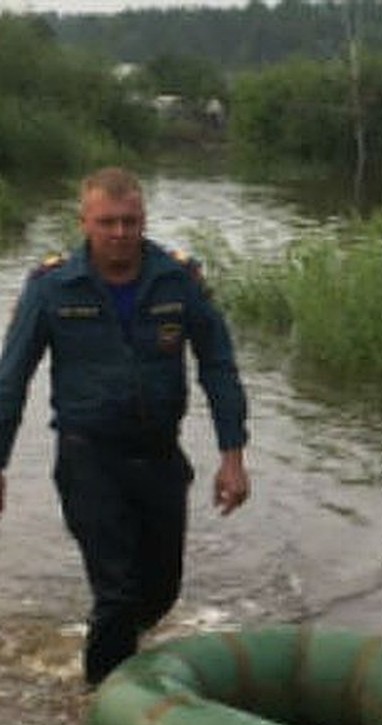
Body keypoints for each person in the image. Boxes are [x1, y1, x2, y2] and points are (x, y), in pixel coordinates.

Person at [0, 166, 250, 686]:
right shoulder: (53, 286)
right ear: (84, 221)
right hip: (87, 455)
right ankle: (102, 702)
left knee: (160, 590)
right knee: (116, 589)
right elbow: (11, 378)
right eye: (107, 221)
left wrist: (232, 455)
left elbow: (218, 364)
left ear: (144, 220)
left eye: (130, 221)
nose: (119, 233)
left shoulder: (178, 278)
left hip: (159, 455)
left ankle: (110, 647)